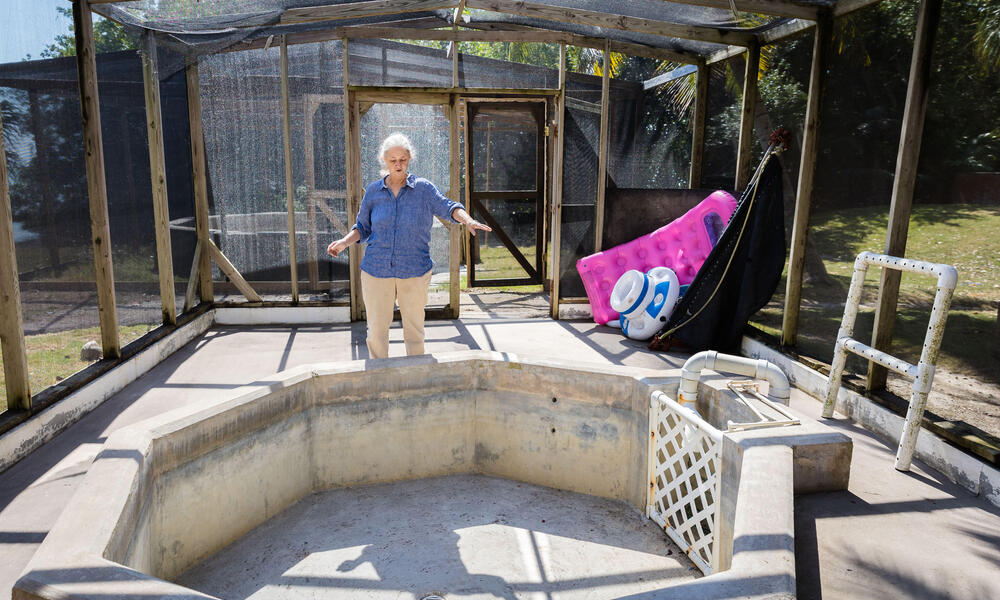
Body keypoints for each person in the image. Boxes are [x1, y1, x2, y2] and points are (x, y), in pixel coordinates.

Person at [327, 133, 490, 359]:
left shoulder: (423, 189)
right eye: (393, 160)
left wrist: (468, 220)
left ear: (409, 159)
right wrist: (344, 242)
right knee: (376, 332)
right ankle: (379, 381)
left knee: (414, 331)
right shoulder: (373, 191)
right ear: (384, 160)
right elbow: (362, 227)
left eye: (402, 159)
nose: (398, 165)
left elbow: (449, 207)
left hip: (414, 271)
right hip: (376, 270)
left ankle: (415, 381)